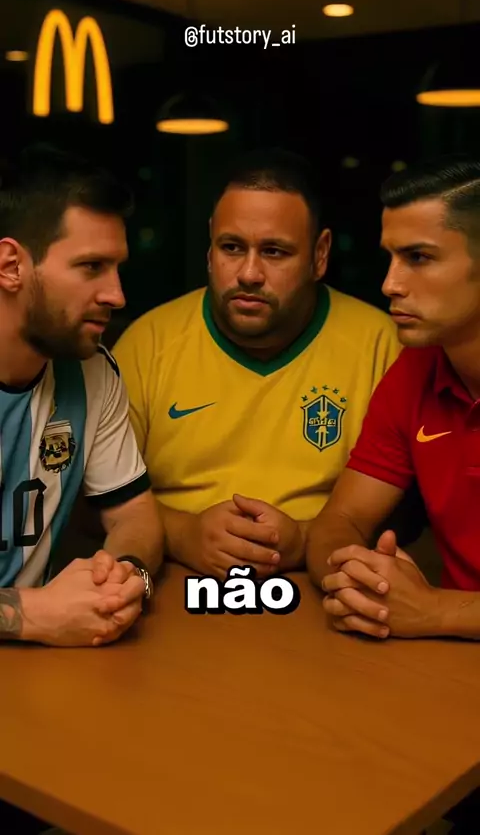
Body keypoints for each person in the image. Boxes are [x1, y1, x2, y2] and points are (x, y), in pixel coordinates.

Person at [113, 148, 406, 579]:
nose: (249, 273)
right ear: (210, 248)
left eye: (274, 251)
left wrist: (305, 538)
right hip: (174, 581)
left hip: (329, 581)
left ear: (320, 255)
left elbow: (417, 512)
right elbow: (88, 502)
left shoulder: (383, 347)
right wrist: (182, 534)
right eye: (231, 247)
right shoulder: (148, 343)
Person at [307, 154, 480, 646]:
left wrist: (434, 611)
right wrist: (360, 579)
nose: (390, 284)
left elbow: (429, 610)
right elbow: (339, 521)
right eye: (390, 257)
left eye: (418, 258)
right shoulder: (416, 369)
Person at [0, 144, 164, 651]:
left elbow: (134, 517)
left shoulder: (92, 371)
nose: (117, 295)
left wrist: (126, 577)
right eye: (91, 266)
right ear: (11, 265)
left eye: (116, 268)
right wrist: (31, 614)